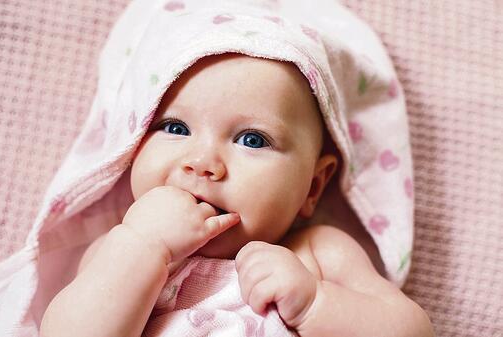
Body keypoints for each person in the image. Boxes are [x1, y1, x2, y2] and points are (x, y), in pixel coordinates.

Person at [39, 53, 434, 337]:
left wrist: (316, 304)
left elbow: (413, 331)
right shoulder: (122, 248)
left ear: (313, 186)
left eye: (252, 139)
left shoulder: (318, 253)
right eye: (175, 128)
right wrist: (143, 246)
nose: (203, 163)